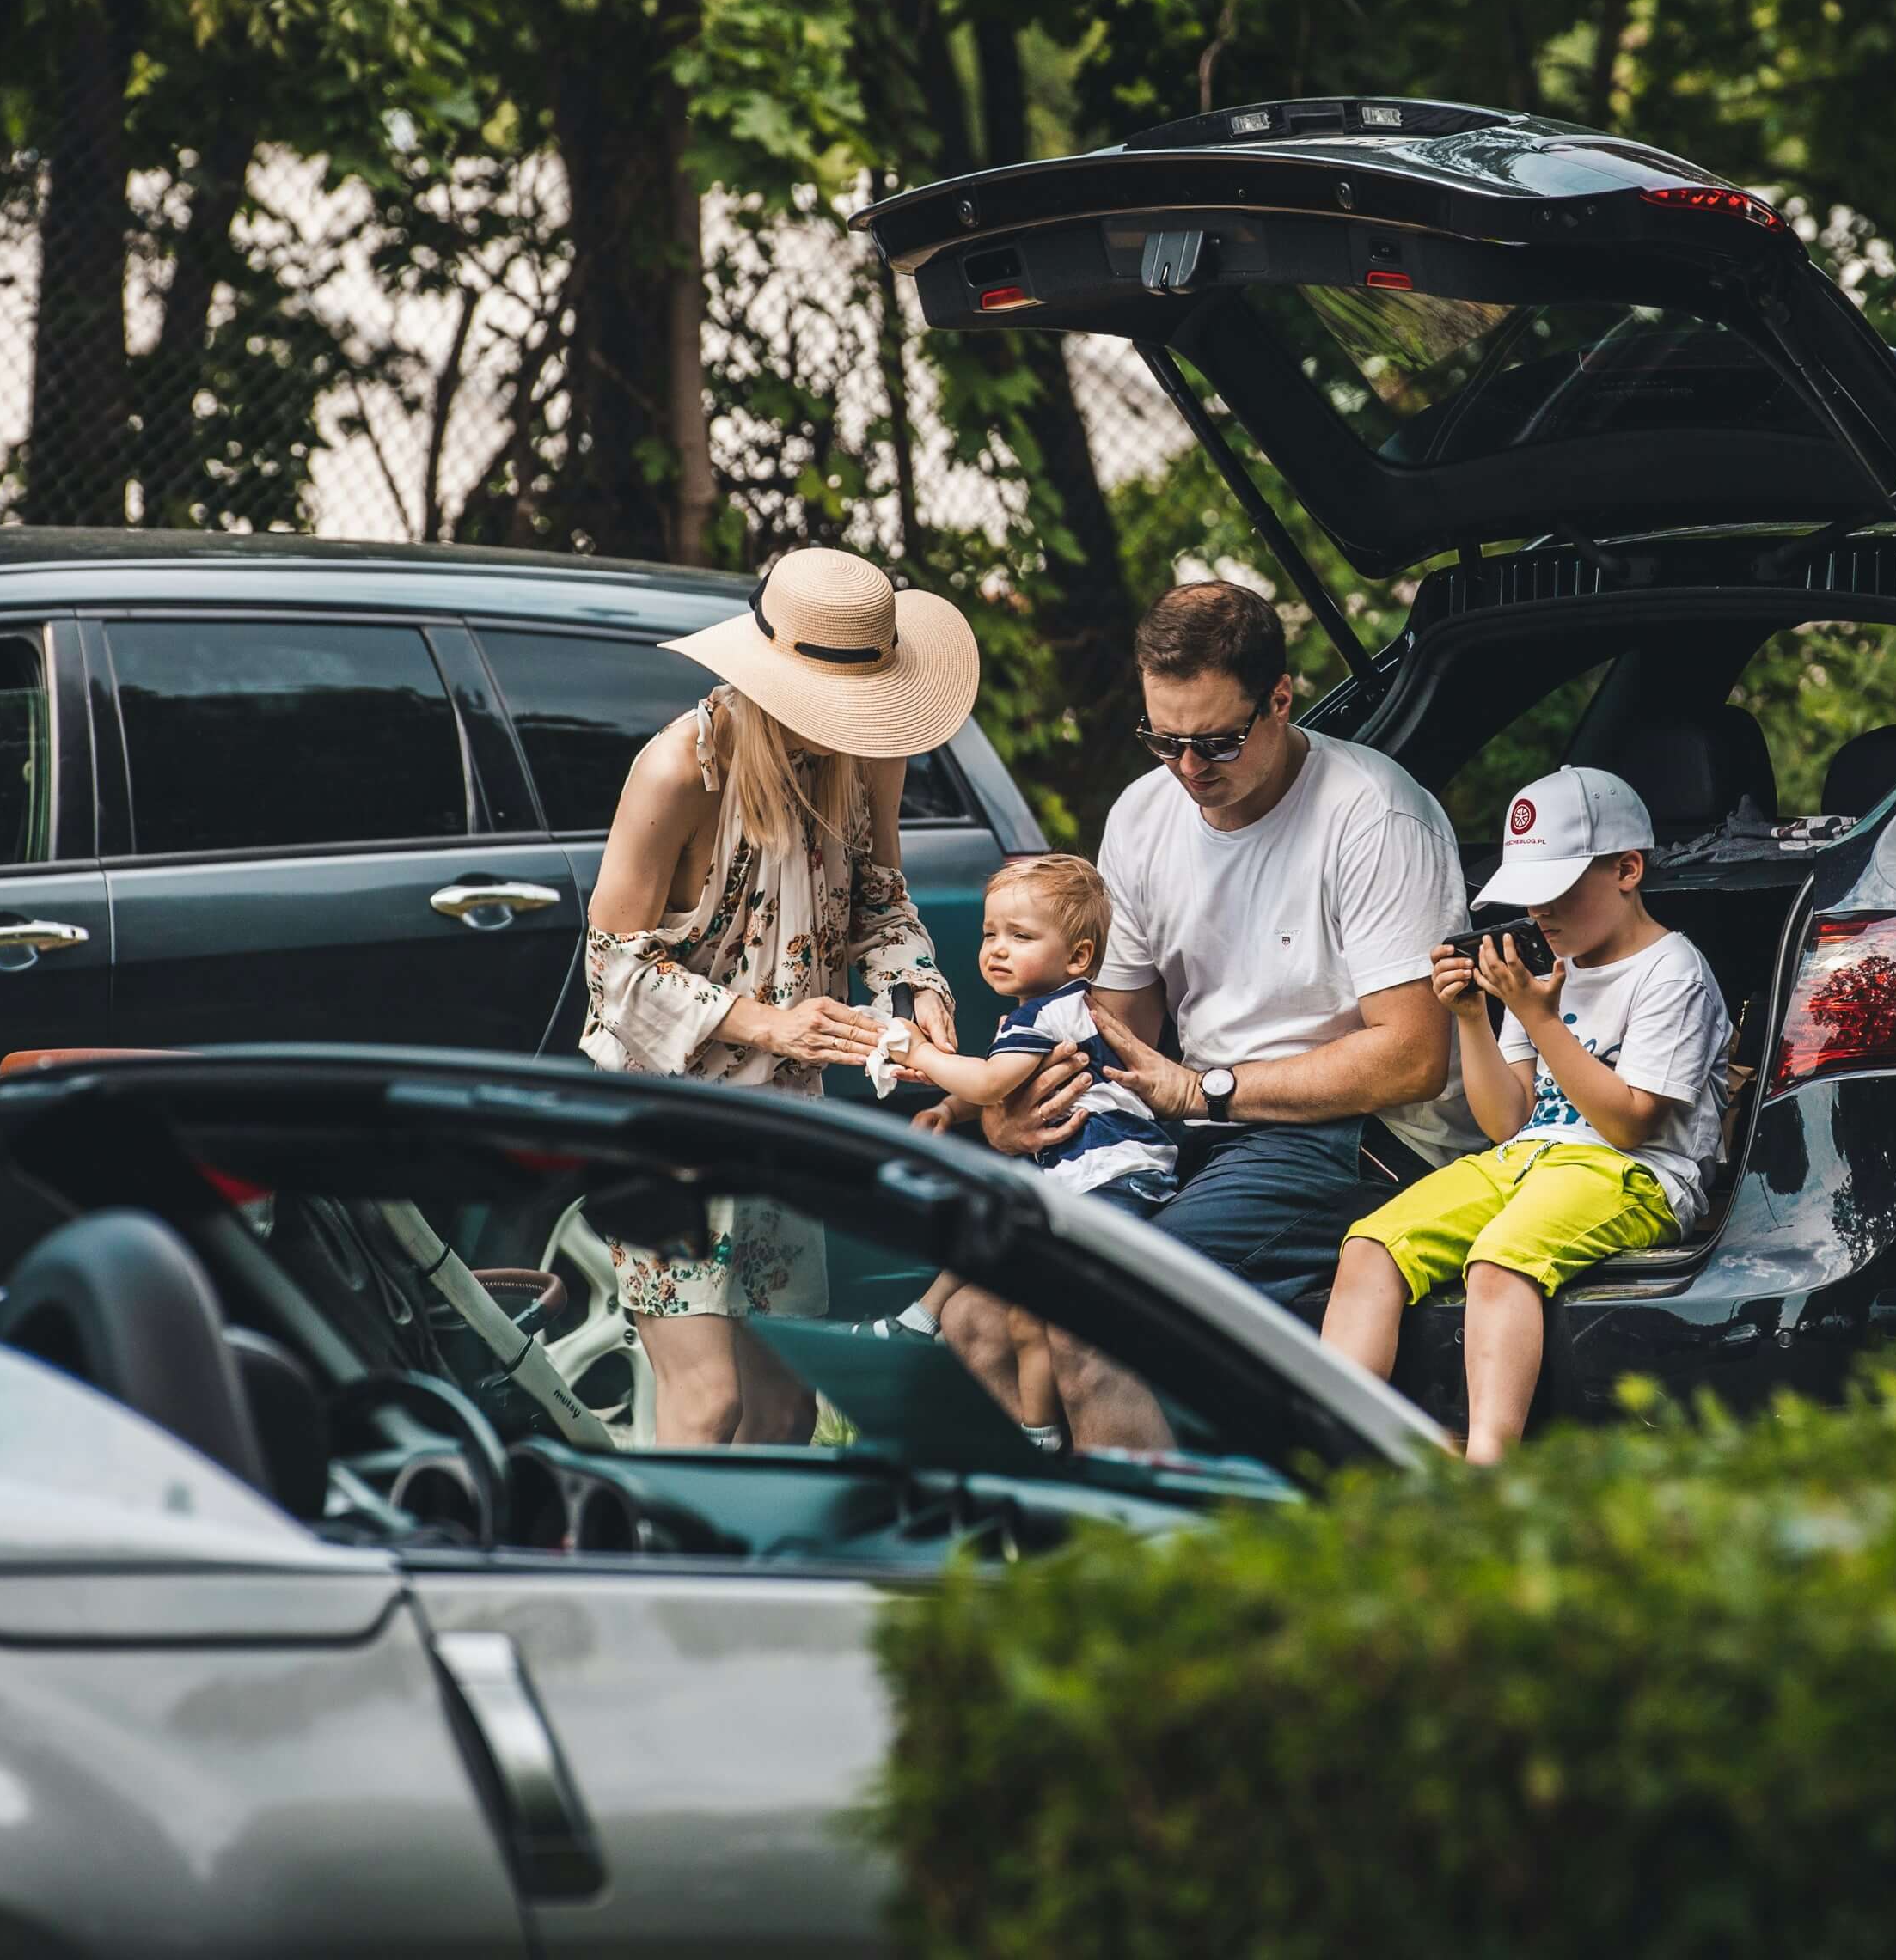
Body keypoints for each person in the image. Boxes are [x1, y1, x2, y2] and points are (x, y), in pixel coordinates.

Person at [579, 546, 978, 1447]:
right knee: (708, 1400)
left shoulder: (868, 753)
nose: (850, 723)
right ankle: (661, 1582)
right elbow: (613, 973)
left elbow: (878, 894)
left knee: (787, 1405)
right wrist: (770, 1022)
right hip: (664, 1115)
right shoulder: (680, 770)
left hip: (781, 1117)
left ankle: (768, 1577)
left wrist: (918, 983)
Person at [982, 582, 1472, 1310]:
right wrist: (1011, 1111)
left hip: (1368, 1138)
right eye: (1162, 740)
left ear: (1280, 699)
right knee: (988, 1294)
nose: (1187, 769)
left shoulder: (1375, 816)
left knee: (1125, 1293)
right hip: (1203, 1125)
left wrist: (1209, 1089)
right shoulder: (1144, 815)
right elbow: (1113, 1031)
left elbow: (1412, 1058)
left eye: (1217, 742)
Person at [1320, 766, 1729, 1463]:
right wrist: (1474, 1019)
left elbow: (1631, 1124)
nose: (1540, 915)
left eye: (1557, 893)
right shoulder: (1537, 973)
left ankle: (1489, 1468)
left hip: (1632, 1171)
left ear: (1628, 869)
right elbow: (1507, 1122)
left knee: (1501, 1261)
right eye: (1527, 898)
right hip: (1526, 1157)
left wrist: (1540, 1018)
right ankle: (1330, 1455)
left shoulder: (1672, 972)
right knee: (1372, 1244)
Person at [877, 855, 1174, 1444]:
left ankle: (1035, 1431)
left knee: (1030, 1284)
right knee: (1020, 1298)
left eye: (1020, 936)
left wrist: (921, 1057)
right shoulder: (1041, 1015)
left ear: (1079, 957)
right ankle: (1035, 1428)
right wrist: (946, 1109)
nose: (997, 949)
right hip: (1095, 1176)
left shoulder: (1049, 1013)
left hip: (1108, 1175)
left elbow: (990, 1083)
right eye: (990, 934)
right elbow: (999, 1081)